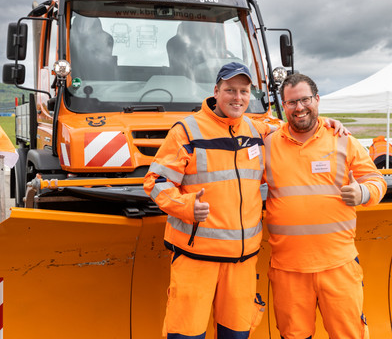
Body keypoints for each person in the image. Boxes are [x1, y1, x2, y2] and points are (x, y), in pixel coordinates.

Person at [144, 63, 347, 339]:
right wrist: (187, 207)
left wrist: (326, 123)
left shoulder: (257, 129)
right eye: (229, 90)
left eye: (243, 91)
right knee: (186, 335)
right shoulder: (187, 132)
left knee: (237, 335)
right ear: (216, 92)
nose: (237, 97)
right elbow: (156, 181)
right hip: (196, 258)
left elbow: (297, 121)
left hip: (242, 263)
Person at [262, 74, 387, 339]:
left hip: (338, 265)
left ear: (317, 99)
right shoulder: (267, 145)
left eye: (305, 99)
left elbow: (376, 179)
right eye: (292, 102)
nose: (299, 108)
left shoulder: (343, 139)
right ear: (283, 106)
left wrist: (364, 192)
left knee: (349, 334)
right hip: (288, 270)